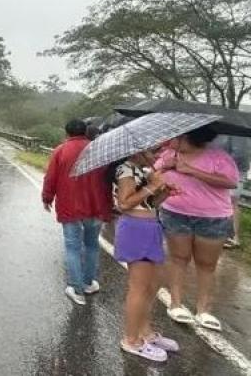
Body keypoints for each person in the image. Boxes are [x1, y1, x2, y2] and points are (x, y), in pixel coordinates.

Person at [156, 126, 239, 331]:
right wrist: (166, 167)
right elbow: (153, 174)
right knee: (178, 259)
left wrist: (192, 171)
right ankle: (175, 303)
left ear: (186, 137)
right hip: (175, 213)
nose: (169, 140)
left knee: (207, 264)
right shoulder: (169, 155)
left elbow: (230, 182)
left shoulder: (219, 158)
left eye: (174, 136)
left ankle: (204, 310)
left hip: (212, 218)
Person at [111, 149, 180, 362]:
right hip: (135, 228)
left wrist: (164, 192)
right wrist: (153, 185)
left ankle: (146, 333)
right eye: (153, 150)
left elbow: (149, 205)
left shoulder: (142, 171)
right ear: (138, 150)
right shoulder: (125, 169)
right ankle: (131, 340)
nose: (156, 154)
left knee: (153, 285)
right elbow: (124, 204)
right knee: (139, 288)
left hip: (150, 226)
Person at [42, 119, 113, 305]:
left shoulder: (60, 151)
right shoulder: (98, 150)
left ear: (67, 133)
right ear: (85, 131)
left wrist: (47, 198)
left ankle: (76, 288)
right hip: (95, 206)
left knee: (73, 247)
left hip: (70, 206)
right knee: (91, 245)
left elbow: (51, 178)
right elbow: (107, 179)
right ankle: (89, 283)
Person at [214, 135, 249, 249]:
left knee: (231, 201)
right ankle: (221, 233)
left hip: (234, 171)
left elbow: (240, 154)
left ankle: (233, 237)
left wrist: (219, 164)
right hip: (216, 170)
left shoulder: (235, 131)